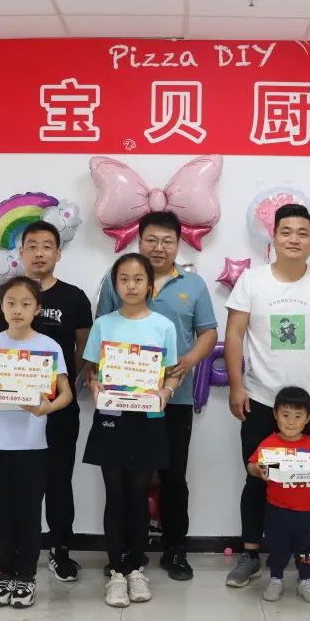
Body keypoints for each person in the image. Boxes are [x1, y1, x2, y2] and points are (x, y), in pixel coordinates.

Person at [223, 203, 310, 591]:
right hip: (261, 399)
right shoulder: (252, 281)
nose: (294, 239)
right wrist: (236, 386)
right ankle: (250, 555)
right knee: (256, 479)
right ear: (274, 237)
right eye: (286, 231)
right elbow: (234, 334)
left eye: (302, 232)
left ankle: (309, 559)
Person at [96, 211, 218, 580]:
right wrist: (97, 379)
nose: (159, 247)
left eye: (167, 241)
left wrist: (188, 361)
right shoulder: (117, 279)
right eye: (151, 239)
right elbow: (101, 332)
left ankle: (175, 550)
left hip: (173, 399)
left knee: (173, 476)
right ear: (139, 241)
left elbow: (208, 332)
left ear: (178, 244)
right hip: (123, 400)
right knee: (123, 478)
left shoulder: (192, 284)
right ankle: (124, 552)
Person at [0, 221, 93, 582]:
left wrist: (56, 386)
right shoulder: (1, 295)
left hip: (58, 408)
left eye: (47, 246)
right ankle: (9, 557)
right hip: (12, 414)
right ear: (21, 253)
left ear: (58, 253)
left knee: (58, 481)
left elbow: (83, 348)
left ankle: (59, 550)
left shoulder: (74, 298)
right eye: (32, 245)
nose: (40, 253)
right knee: (12, 489)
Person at [0, 277, 73, 609]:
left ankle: (26, 576)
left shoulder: (48, 346)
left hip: (31, 445)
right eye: (10, 303)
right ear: (1, 308)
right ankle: (4, 575)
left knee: (28, 513)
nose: (17, 309)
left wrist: (46, 408)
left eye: (26, 303)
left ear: (37, 308)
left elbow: (66, 393)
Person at [82, 254, 181, 608]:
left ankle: (137, 567)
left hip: (148, 419)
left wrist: (166, 392)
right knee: (115, 495)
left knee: (139, 494)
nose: (131, 285)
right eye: (123, 279)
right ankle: (116, 572)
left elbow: (172, 373)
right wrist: (94, 386)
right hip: (112, 417)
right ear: (115, 285)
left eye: (138, 279)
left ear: (149, 286)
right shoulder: (103, 325)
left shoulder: (163, 326)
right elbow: (92, 371)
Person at [247, 386, 310, 604]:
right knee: (277, 547)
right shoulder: (269, 444)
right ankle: (276, 578)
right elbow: (251, 465)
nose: (291, 422)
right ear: (275, 414)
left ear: (308, 418)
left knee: (309, 548)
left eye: (298, 416)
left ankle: (306, 580)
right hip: (277, 510)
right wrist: (257, 470)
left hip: (309, 512)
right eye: (285, 415)